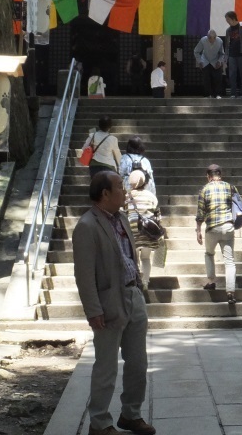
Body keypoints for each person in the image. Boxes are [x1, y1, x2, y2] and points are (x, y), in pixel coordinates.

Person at [72, 170, 155, 435]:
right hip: (109, 302)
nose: (125, 191)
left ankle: (131, 414)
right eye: (120, 186)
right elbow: (84, 275)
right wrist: (93, 310)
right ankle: (100, 423)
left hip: (133, 296)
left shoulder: (121, 218)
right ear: (105, 193)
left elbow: (128, 256)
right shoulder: (87, 226)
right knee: (106, 367)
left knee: (138, 363)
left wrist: (139, 287)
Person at [195, 163, 242, 306]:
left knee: (209, 253)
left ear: (208, 177)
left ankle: (211, 281)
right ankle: (230, 292)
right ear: (220, 175)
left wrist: (198, 230)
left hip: (212, 228)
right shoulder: (230, 187)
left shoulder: (204, 190)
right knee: (229, 261)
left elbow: (200, 213)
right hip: (228, 227)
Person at [125, 169, 161, 292]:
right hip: (148, 231)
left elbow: (122, 213)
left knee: (133, 258)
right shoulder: (151, 196)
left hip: (132, 231)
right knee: (145, 258)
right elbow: (158, 215)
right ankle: (145, 282)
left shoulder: (127, 196)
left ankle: (136, 281)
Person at [223, 11, 242, 98]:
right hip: (232, 55)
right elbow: (227, 45)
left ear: (233, 18)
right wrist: (226, 57)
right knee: (232, 75)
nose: (227, 21)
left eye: (228, 19)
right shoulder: (228, 30)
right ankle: (233, 93)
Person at [193, 29, 226, 98]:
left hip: (215, 60)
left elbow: (222, 54)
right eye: (209, 38)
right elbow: (196, 51)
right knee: (206, 78)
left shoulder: (220, 41)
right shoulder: (203, 40)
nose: (211, 40)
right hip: (205, 60)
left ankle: (217, 94)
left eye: (212, 39)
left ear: (215, 37)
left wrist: (219, 61)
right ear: (207, 37)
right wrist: (199, 61)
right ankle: (208, 94)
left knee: (217, 78)